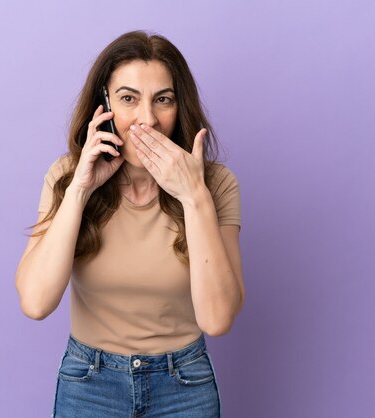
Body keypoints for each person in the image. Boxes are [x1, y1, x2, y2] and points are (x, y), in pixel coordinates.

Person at [15, 30, 245, 417]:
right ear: (103, 107)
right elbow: (36, 303)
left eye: (163, 100)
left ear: (179, 106)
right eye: (128, 99)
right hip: (89, 384)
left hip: (183, 384)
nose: (147, 120)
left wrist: (194, 197)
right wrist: (79, 191)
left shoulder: (216, 185)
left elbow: (217, 319)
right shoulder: (66, 176)